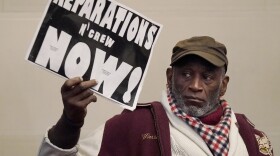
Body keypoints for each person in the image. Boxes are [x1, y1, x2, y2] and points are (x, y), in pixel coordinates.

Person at [38, 36, 273, 156]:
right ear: (170, 77)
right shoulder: (133, 125)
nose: (195, 85)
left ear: (223, 85)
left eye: (208, 77)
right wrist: (70, 121)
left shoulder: (249, 136)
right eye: (186, 74)